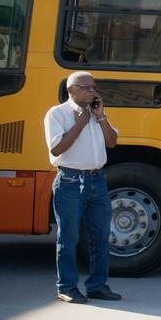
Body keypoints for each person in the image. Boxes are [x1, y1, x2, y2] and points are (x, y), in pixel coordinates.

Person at [43, 71, 121, 304]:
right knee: (69, 238)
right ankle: (66, 287)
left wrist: (101, 117)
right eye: (86, 87)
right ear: (71, 90)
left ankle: (97, 285)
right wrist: (80, 123)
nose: (92, 91)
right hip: (70, 181)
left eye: (94, 87)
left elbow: (112, 142)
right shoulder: (57, 114)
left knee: (100, 238)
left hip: (97, 180)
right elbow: (57, 149)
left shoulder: (96, 114)